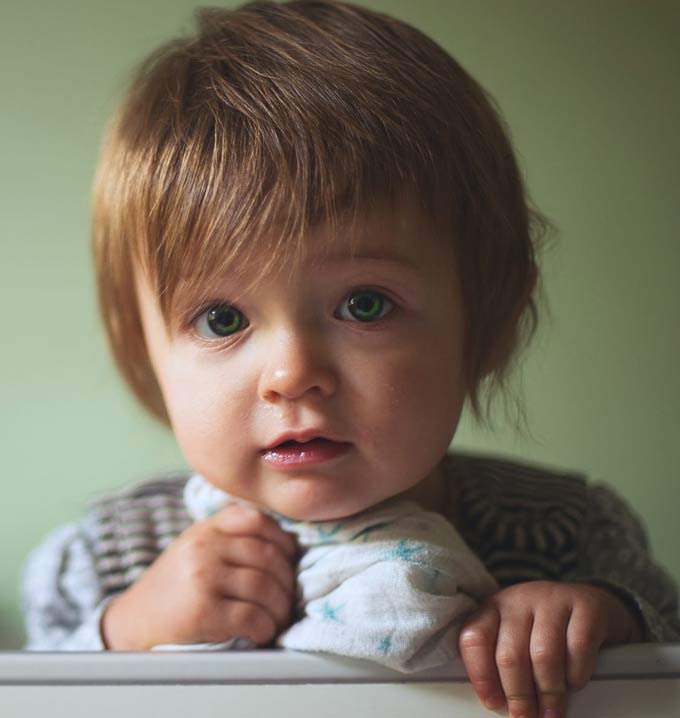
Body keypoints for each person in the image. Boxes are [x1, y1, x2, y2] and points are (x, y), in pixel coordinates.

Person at [21, 1, 679, 716]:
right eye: (222, 319)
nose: (292, 373)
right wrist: (125, 635)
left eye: (364, 304)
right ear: (144, 351)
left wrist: (606, 625)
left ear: (485, 318)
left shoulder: (565, 533)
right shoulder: (106, 558)